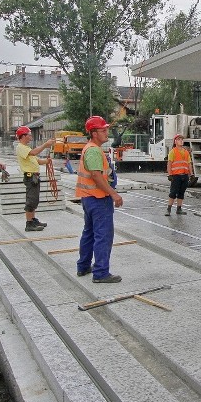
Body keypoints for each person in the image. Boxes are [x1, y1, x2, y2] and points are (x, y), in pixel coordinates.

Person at [75, 116, 123, 283]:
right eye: (103, 130)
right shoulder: (94, 150)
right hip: (98, 199)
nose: (106, 133)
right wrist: (113, 193)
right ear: (94, 133)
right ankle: (101, 272)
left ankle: (83, 266)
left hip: (89, 199)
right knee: (103, 235)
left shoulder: (90, 148)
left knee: (89, 233)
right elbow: (96, 176)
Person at [15, 126, 56, 232]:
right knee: (31, 200)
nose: (30, 137)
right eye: (29, 135)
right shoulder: (21, 147)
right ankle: (29, 223)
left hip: (34, 177)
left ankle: (32, 220)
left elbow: (36, 160)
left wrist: (47, 161)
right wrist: (45, 145)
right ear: (23, 136)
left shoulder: (27, 148)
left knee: (34, 200)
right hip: (30, 177)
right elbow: (34, 153)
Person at [165, 133, 194, 216]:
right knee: (173, 193)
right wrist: (170, 174)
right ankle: (169, 209)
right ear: (175, 141)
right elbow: (169, 164)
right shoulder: (173, 152)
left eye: (182, 139)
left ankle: (179, 209)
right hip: (176, 176)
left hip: (184, 176)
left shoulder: (186, 152)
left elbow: (189, 164)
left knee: (181, 193)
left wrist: (191, 174)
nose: (181, 141)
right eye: (179, 139)